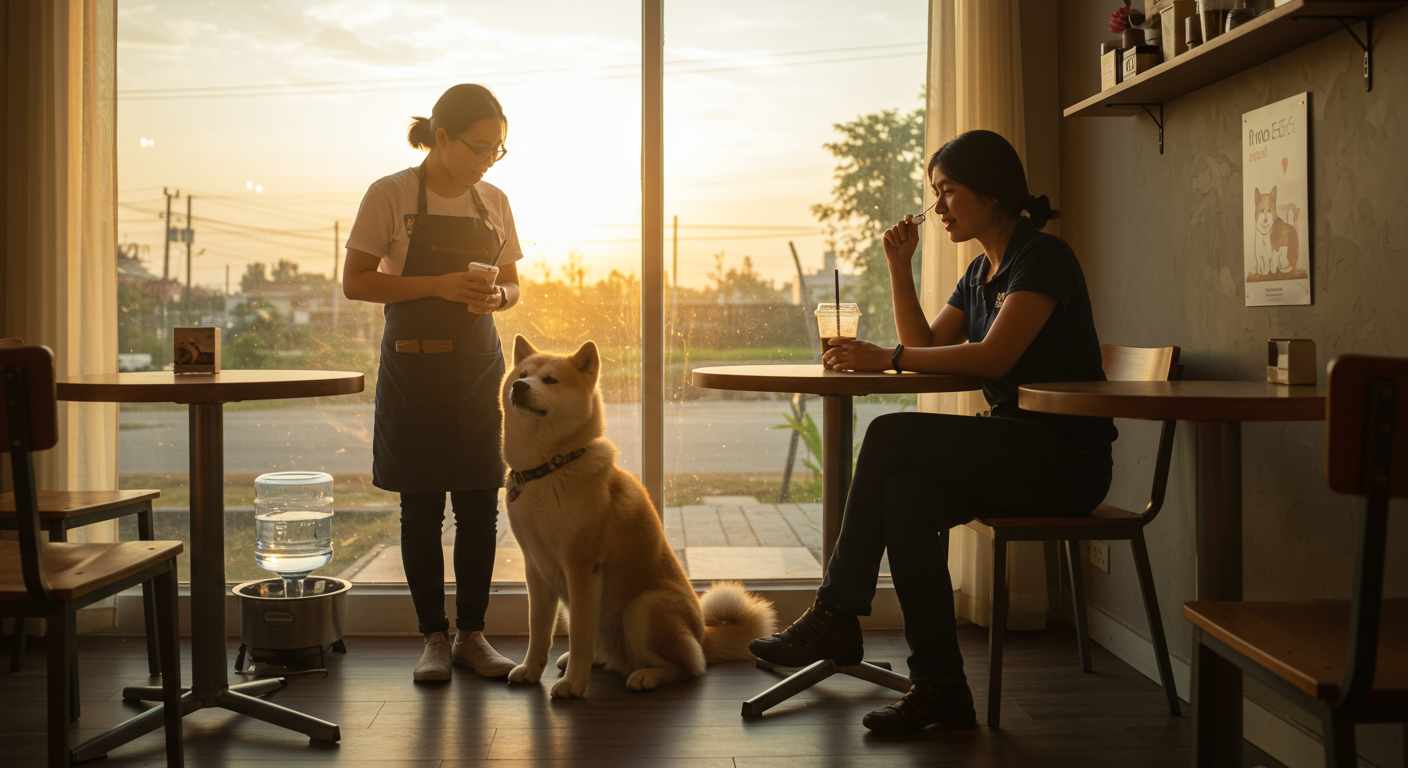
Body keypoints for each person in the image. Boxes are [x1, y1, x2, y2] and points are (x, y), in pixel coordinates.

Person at [749, 129, 1116, 734]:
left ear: (992, 193)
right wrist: (899, 267)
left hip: (1065, 458)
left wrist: (885, 357)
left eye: (948, 192)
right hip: (1013, 448)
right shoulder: (979, 273)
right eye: (935, 194)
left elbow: (992, 358)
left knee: (890, 435)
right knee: (906, 497)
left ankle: (837, 612)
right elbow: (924, 348)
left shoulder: (1042, 259)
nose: (937, 206)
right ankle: (940, 686)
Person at [343, 83, 523, 683]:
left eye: (496, 151)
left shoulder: (493, 200)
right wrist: (438, 285)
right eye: (478, 148)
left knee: (478, 508)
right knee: (420, 510)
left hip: (479, 371)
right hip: (413, 372)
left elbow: (516, 284)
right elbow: (357, 282)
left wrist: (498, 295)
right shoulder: (391, 194)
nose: (486, 161)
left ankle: (472, 635)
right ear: (441, 137)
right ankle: (432, 640)